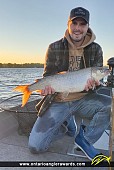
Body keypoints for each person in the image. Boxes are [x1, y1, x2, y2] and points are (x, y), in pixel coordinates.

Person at [28, 7, 111, 160]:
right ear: (68, 24)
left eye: (82, 24)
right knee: (35, 147)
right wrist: (44, 88)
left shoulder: (96, 49)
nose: (78, 28)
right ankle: (66, 126)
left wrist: (94, 84)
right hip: (59, 100)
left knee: (110, 106)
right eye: (74, 23)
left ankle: (84, 139)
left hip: (84, 99)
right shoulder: (54, 47)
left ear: (87, 27)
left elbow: (99, 82)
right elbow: (48, 75)